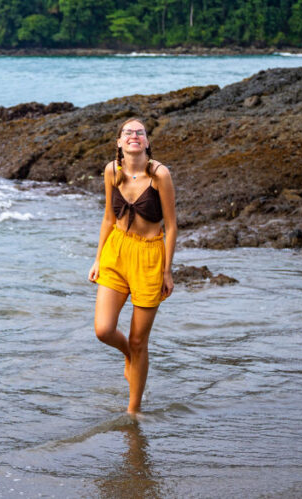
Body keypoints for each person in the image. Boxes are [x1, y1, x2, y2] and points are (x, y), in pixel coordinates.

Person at [88, 117, 176, 415]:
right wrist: (98, 258)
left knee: (140, 340)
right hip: (116, 251)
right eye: (128, 132)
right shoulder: (112, 171)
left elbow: (173, 226)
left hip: (150, 257)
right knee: (103, 330)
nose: (134, 136)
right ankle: (129, 355)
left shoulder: (160, 175)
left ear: (147, 142)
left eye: (140, 132)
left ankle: (133, 413)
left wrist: (167, 270)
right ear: (119, 142)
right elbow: (108, 219)